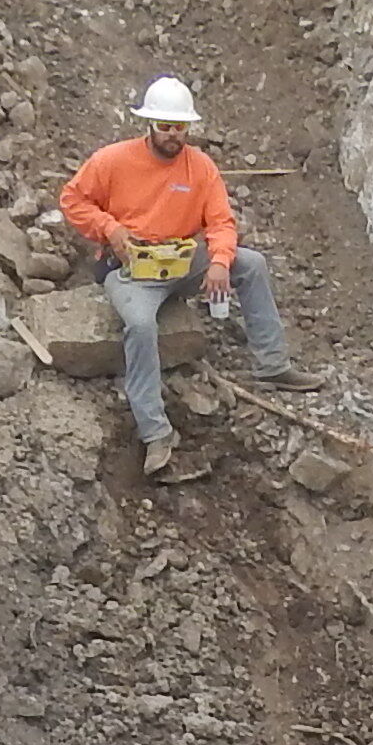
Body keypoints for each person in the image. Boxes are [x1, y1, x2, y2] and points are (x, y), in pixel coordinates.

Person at [56, 77, 291, 477]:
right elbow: (72, 199)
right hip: (132, 267)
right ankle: (155, 433)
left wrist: (219, 261)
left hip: (180, 260)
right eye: (165, 126)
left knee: (250, 264)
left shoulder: (200, 168)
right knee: (141, 324)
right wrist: (110, 229)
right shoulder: (113, 160)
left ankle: (273, 364)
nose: (172, 135)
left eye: (179, 127)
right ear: (148, 124)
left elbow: (220, 221)